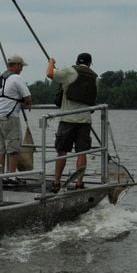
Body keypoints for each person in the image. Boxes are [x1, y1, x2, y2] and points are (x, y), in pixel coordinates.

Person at [46, 52, 97, 192]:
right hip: (85, 120)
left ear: (76, 60)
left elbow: (50, 74)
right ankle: (79, 183)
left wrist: (51, 62)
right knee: (82, 152)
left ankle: (56, 182)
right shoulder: (94, 77)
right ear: (90, 63)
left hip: (67, 119)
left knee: (62, 151)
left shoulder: (69, 71)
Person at [0, 55, 32, 183]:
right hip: (9, 117)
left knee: (0, 149)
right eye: (21, 66)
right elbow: (28, 98)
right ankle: (11, 176)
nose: (22, 69)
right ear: (16, 65)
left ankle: (0, 177)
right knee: (13, 148)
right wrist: (25, 103)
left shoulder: (0, 79)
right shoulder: (16, 78)